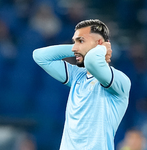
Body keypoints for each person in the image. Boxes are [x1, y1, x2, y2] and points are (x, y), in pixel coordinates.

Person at [32, 19, 131, 150]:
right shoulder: (76, 75)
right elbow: (40, 56)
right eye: (75, 41)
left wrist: (98, 49)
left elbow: (92, 62)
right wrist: (80, 48)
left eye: (81, 41)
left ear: (99, 44)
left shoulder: (120, 81)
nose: (75, 47)